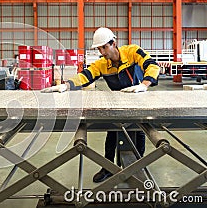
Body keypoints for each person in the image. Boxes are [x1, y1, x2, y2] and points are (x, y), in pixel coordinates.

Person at [42, 27, 160, 183]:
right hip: (117, 103)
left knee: (139, 132)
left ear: (114, 43)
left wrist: (144, 85)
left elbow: (152, 66)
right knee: (112, 132)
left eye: (104, 47)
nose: (103, 52)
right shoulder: (102, 64)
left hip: (138, 98)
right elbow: (85, 76)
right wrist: (66, 85)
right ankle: (108, 168)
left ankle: (138, 167)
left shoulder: (133, 52)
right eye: (99, 48)